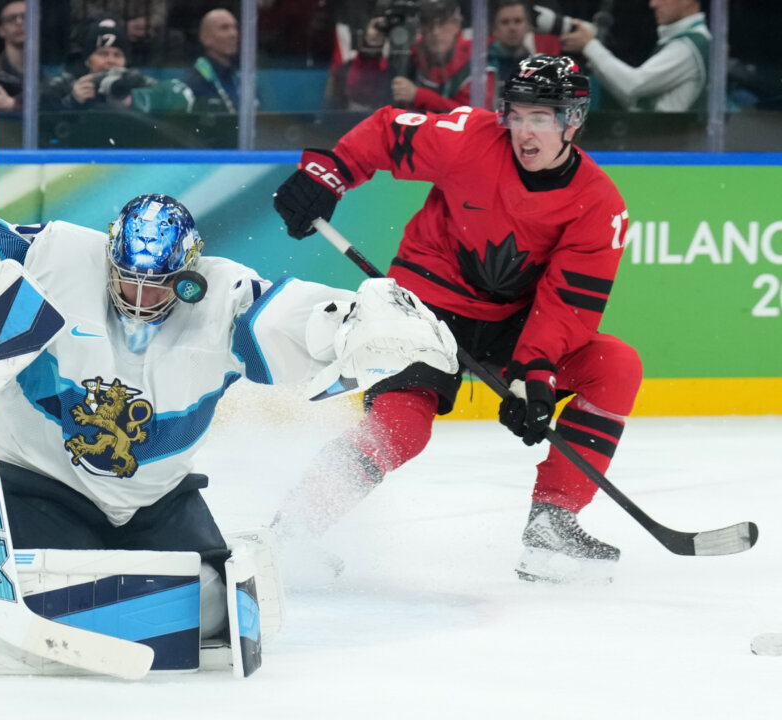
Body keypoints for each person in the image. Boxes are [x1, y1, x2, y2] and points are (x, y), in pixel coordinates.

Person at [0, 193, 457, 673]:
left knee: (218, 605)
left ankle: (57, 605)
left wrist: (362, 324)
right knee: (37, 593)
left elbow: (295, 317)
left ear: (188, 274)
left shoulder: (222, 293)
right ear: (109, 256)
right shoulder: (62, 254)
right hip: (40, 484)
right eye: (128, 281)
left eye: (159, 286)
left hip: (158, 499)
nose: (140, 300)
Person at [271, 54, 642, 584]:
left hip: (511, 324)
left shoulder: (598, 204)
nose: (524, 131)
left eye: (541, 118)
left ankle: (551, 526)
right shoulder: (471, 137)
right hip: (422, 306)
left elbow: (567, 303)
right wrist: (328, 174)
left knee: (615, 366)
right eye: (517, 115)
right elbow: (387, 132)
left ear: (573, 121)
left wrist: (533, 374)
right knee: (403, 426)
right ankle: (291, 531)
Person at [341, 0, 494, 113]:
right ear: (420, 27)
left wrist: (419, 96)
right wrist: (371, 50)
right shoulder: (408, 56)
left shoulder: (476, 59)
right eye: (428, 23)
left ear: (457, 25)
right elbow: (362, 96)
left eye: (442, 23)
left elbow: (476, 115)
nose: (435, 32)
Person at [560, 0, 710, 112]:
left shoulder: (689, 46)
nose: (653, 4)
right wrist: (591, 53)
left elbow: (633, 85)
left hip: (670, 140)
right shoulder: (685, 42)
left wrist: (590, 46)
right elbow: (632, 98)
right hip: (664, 138)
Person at [45, 16, 192, 114]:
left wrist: (134, 99)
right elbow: (39, 114)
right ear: (87, 60)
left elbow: (183, 98)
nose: (111, 60)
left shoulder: (135, 80)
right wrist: (71, 101)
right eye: (103, 54)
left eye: (117, 55)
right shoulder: (68, 83)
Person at [488, 0, 561, 95]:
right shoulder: (480, 66)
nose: (512, 28)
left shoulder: (539, 68)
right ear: (494, 29)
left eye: (518, 21)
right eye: (505, 22)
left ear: (528, 26)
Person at [181, 8, 242, 113]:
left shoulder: (240, 79)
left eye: (235, 27)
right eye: (224, 28)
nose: (234, 34)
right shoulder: (194, 84)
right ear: (205, 38)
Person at [0, 0, 27, 104]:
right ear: (1, 29)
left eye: (25, 17)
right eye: (11, 19)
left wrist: (13, 104)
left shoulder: (48, 70)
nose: (19, 22)